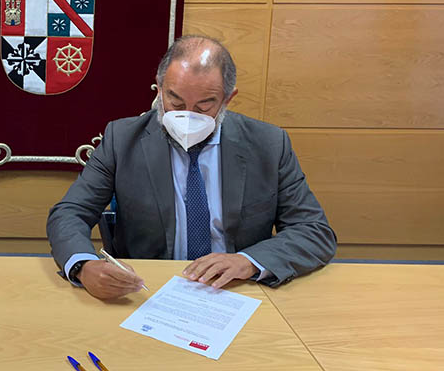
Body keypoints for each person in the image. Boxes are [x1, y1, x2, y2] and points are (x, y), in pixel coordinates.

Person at [47, 35, 336, 299]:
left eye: (203, 106)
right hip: (148, 290)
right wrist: (84, 265)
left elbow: (313, 230)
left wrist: (248, 262)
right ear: (159, 88)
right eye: (175, 101)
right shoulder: (122, 139)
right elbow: (70, 213)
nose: (186, 116)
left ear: (228, 98)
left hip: (237, 289)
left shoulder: (268, 144)